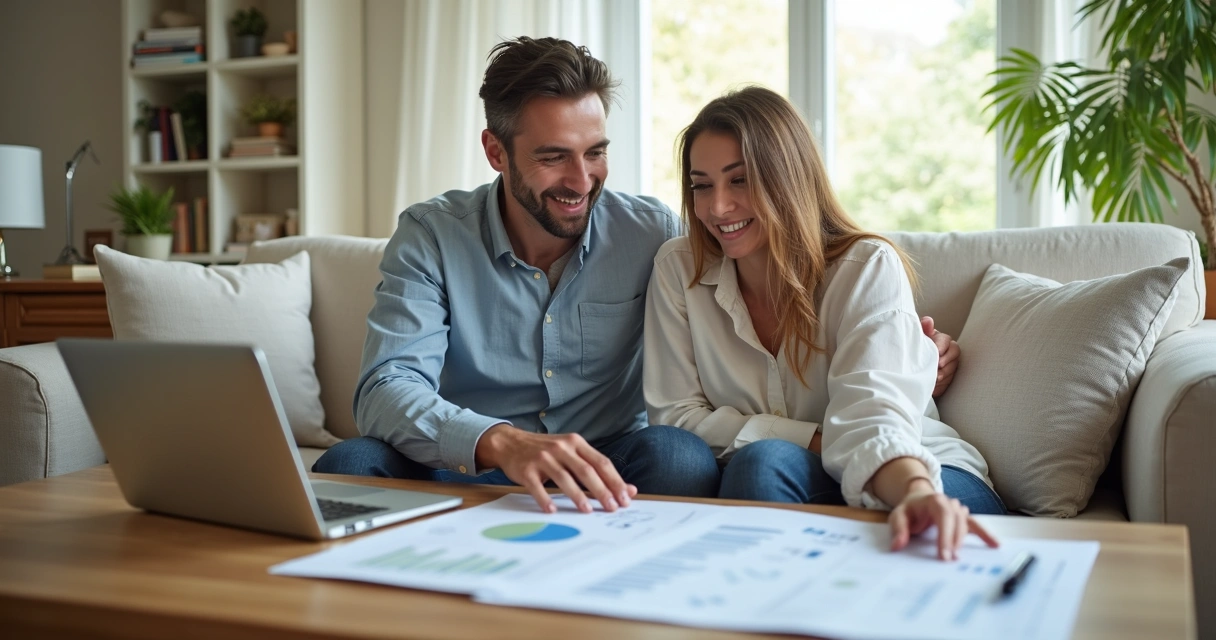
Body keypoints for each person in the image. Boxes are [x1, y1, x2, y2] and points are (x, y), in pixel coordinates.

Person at [314, 37, 962, 516]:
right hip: (470, 465)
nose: (581, 180)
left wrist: (909, 353)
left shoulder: (652, 235)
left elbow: (792, 263)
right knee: (348, 463)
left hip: (608, 467)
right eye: (552, 157)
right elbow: (384, 389)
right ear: (495, 151)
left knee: (678, 456)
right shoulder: (431, 235)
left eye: (595, 153)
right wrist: (500, 443)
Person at [643, 86, 1002, 561]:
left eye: (740, 180)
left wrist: (917, 491)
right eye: (702, 184)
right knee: (723, 459)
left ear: (787, 178)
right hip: (782, 471)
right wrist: (812, 439)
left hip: (917, 471)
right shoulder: (678, 268)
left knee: (761, 462)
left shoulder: (864, 267)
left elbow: (873, 420)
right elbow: (676, 416)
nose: (717, 208)